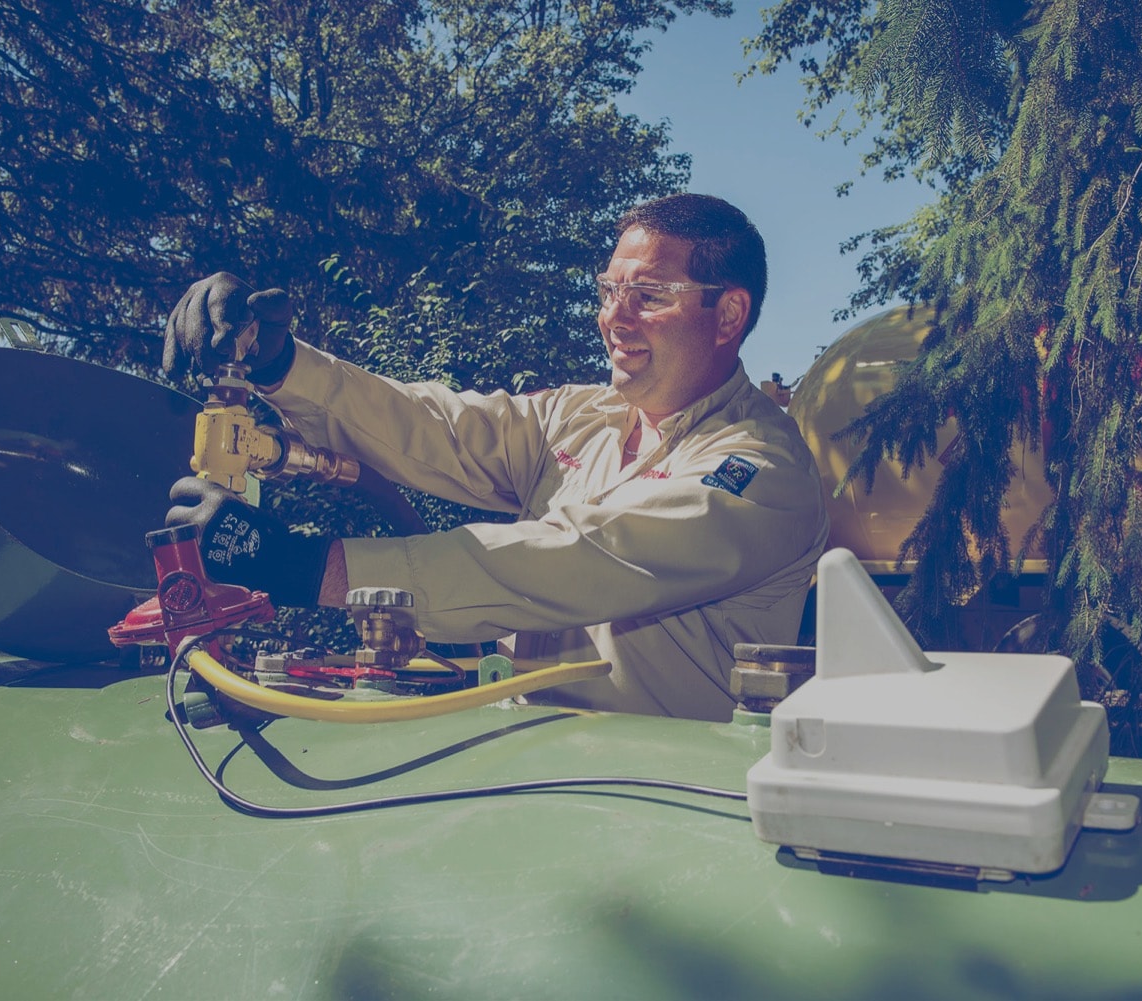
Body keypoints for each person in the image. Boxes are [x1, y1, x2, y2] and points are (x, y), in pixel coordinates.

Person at [161, 193, 829, 721]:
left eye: (648, 297)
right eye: (607, 292)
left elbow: (577, 558)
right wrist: (283, 363)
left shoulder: (761, 468)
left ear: (727, 314)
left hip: (661, 801)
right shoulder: (580, 415)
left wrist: (308, 566)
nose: (614, 319)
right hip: (518, 763)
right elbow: (432, 427)